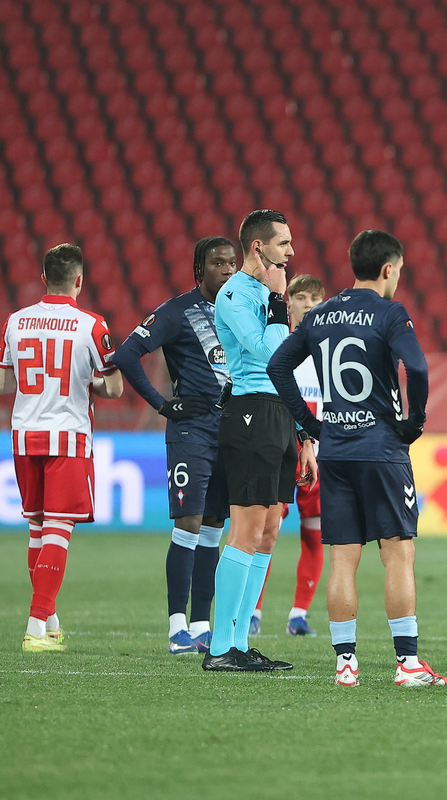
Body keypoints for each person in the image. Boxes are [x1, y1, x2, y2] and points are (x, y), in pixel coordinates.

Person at [268, 229, 447, 688]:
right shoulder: (390, 312)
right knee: (398, 555)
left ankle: (345, 664)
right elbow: (419, 368)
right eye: (400, 272)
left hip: (338, 452)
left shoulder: (321, 315)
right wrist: (416, 419)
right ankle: (407, 664)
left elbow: (278, 367)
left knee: (342, 560)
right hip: (382, 451)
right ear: (389, 269)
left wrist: (310, 425)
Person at [0, 243, 124, 651]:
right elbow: (115, 388)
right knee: (58, 529)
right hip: (67, 434)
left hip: (24, 433)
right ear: (79, 280)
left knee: (37, 528)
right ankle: (35, 627)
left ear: (43, 277)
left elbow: (0, 385)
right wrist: (86, 382)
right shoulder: (92, 325)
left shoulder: (15, 321)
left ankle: (50, 621)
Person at [203, 210, 316, 672]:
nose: (291, 251)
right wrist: (275, 304)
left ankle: (240, 641)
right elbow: (271, 353)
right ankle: (220, 647)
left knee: (269, 532)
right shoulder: (236, 295)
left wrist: (305, 434)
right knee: (246, 531)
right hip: (249, 414)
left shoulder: (271, 295)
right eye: (283, 243)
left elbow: (289, 367)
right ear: (258, 247)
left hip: (277, 417)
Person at [115, 236, 237, 654]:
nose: (227, 269)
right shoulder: (177, 311)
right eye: (217, 263)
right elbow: (128, 354)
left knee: (213, 530)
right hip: (192, 432)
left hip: (232, 432)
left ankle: (203, 626)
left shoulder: (239, 313)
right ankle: (176, 628)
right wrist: (162, 405)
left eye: (232, 262)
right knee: (188, 524)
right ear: (199, 271)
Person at [251, 273, 326, 636]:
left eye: (315, 298)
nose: (309, 304)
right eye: (301, 297)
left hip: (321, 455)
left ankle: (299, 614)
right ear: (289, 302)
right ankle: (253, 610)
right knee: (268, 530)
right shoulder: (280, 347)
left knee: (315, 535)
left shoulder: (331, 353)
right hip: (282, 449)